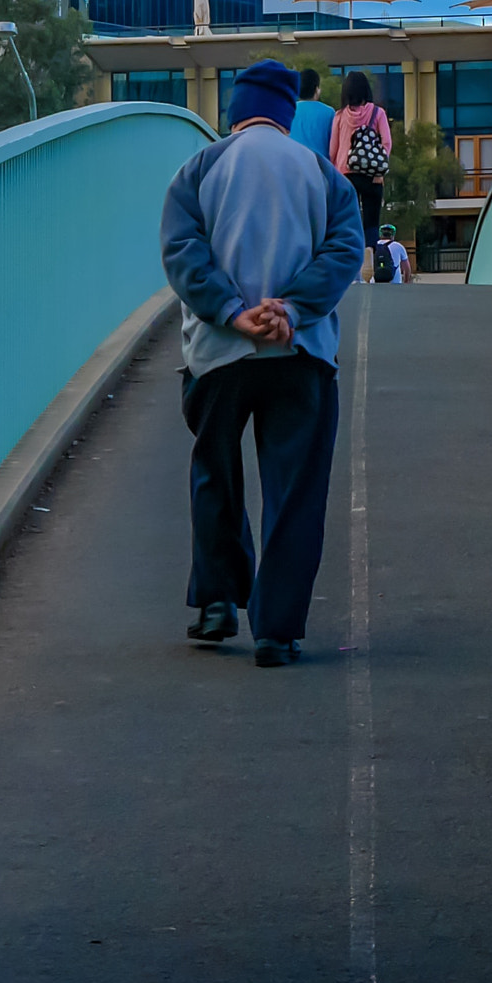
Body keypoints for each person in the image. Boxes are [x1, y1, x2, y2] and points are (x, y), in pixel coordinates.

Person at [160, 58, 364, 667]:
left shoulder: (198, 168)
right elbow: (344, 250)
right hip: (299, 354)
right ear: (286, 114)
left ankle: (218, 601)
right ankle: (277, 629)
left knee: (215, 473)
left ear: (234, 109)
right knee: (294, 489)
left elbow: (181, 250)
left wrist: (233, 311)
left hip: (218, 352)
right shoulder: (324, 175)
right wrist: (291, 311)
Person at [329, 69, 392, 279]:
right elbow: (387, 142)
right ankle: (369, 255)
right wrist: (378, 170)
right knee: (372, 220)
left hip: (346, 175)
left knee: (350, 219)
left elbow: (333, 150)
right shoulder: (378, 113)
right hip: (372, 177)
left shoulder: (339, 116)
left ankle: (352, 263)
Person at [289, 66, 336, 159]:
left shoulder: (289, 110)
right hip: (321, 165)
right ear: (316, 89)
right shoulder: (329, 112)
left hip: (294, 162)